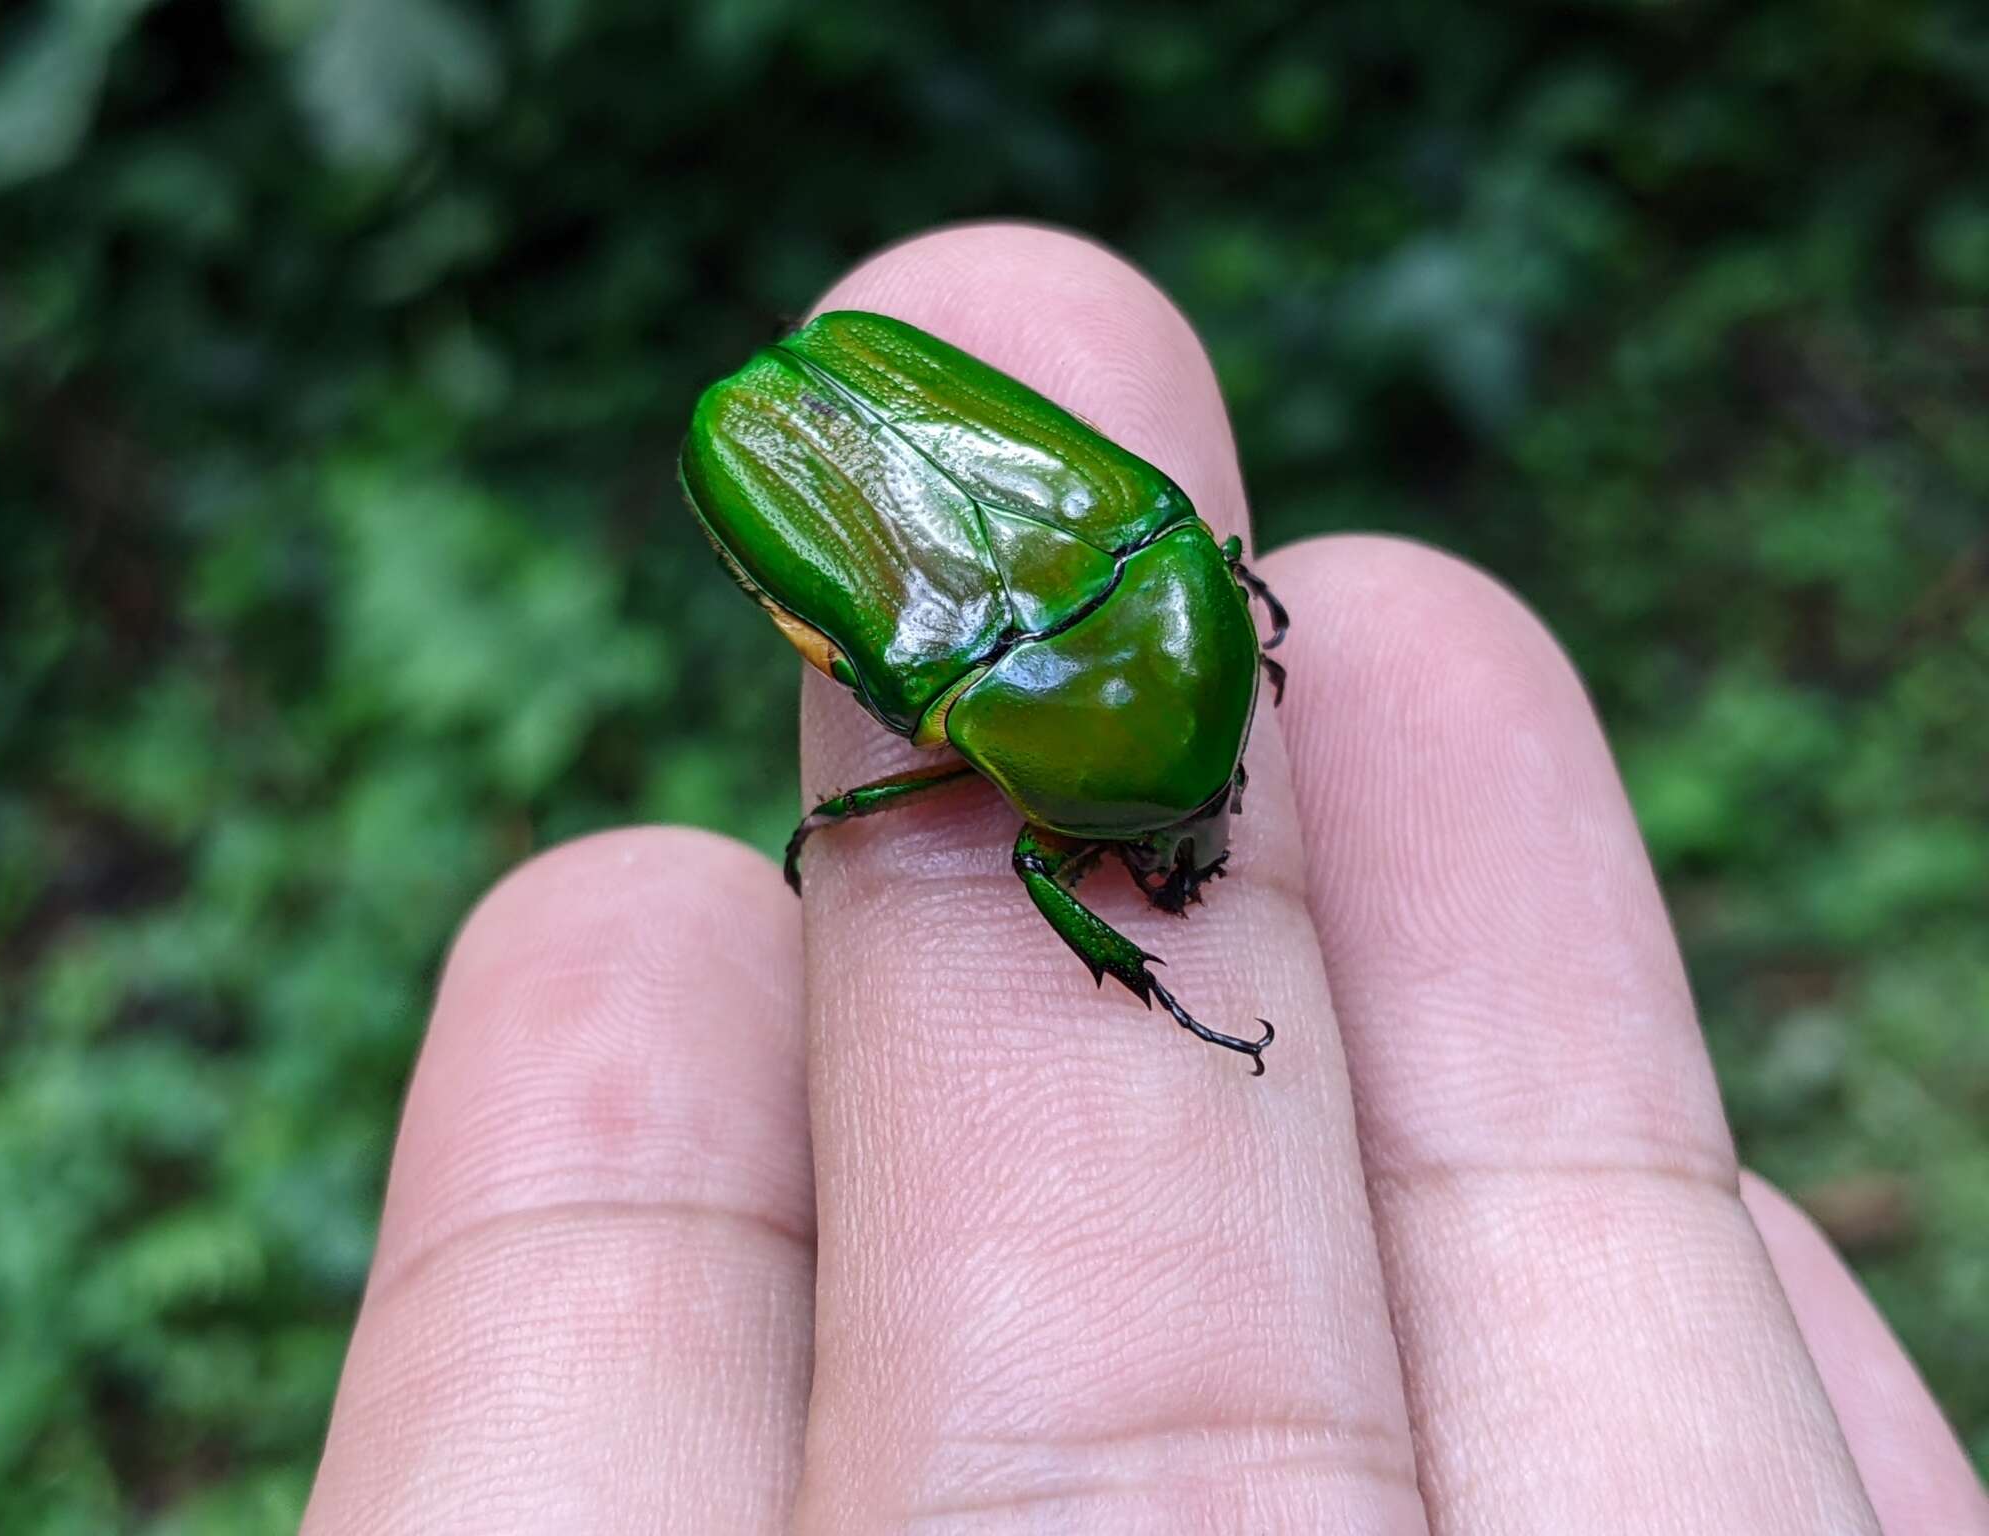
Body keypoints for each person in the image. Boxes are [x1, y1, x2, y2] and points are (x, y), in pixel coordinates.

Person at [300, 224, 1986, 1533]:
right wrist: (1150, 958)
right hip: (862, 471)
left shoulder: (1146, 613)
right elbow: (1053, 841)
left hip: (1107, 561)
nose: (1186, 851)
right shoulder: (1045, 709)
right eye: (1171, 833)